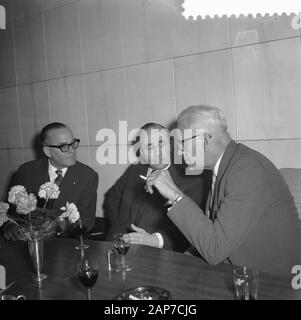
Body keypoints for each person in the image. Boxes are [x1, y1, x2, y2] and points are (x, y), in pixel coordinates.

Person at [145, 105, 299, 275]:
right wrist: (183, 261)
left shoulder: (247, 169)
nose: (179, 152)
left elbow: (215, 249)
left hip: (274, 284)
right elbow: (210, 232)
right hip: (240, 273)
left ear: (203, 140)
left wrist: (174, 194)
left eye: (182, 144)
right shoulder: (226, 166)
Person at [105, 123, 210, 252]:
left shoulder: (193, 179)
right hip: (117, 246)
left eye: (161, 143)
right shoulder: (134, 170)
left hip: (158, 254)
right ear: (142, 153)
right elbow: (112, 197)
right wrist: (121, 226)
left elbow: (192, 228)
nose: (158, 152)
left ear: (171, 145)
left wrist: (154, 240)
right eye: (149, 147)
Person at [2, 122, 99, 241]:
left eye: (73, 144)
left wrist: (59, 228)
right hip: (26, 243)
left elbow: (87, 220)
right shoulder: (26, 171)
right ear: (48, 151)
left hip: (65, 245)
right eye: (63, 146)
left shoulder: (87, 176)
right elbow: (11, 212)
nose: (72, 150)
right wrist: (10, 226)